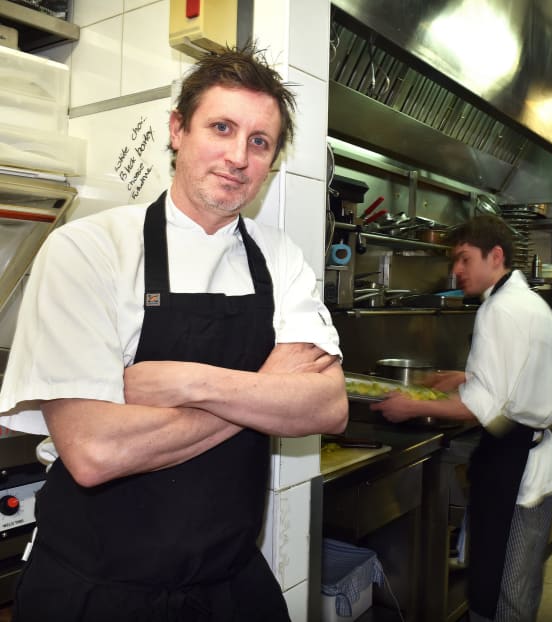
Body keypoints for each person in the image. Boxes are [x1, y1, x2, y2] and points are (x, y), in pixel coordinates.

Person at [0, 44, 348, 622]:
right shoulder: (90, 249)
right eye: (221, 128)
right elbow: (94, 452)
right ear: (177, 130)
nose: (238, 156)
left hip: (230, 584)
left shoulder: (279, 256)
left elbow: (327, 406)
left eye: (259, 141)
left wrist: (187, 382)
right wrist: (263, 394)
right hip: (96, 591)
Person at [370, 214, 552, 622]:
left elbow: (479, 407)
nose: (456, 270)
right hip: (532, 455)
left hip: (518, 468)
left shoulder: (498, 310)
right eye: (454, 261)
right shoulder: (528, 302)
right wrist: (467, 377)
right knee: (516, 588)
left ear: (495, 256)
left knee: (504, 597)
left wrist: (411, 405)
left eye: (464, 259)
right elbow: (523, 367)